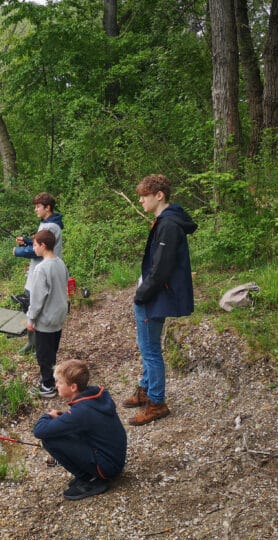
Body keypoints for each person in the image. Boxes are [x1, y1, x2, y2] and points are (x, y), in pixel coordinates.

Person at [123, 174, 197, 426]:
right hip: (154, 294)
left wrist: (141, 294)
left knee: (150, 350)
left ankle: (156, 403)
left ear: (159, 195)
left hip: (154, 296)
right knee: (147, 344)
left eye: (144, 196)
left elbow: (162, 268)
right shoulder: (165, 221)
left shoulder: (168, 225)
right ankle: (145, 388)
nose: (141, 200)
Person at [33, 359, 127, 501]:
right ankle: (91, 474)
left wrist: (48, 416)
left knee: (49, 439)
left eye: (59, 382)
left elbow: (39, 431)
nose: (56, 385)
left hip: (107, 468)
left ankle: (90, 479)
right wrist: (64, 419)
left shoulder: (81, 412)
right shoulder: (97, 395)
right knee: (65, 431)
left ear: (73, 387)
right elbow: (87, 421)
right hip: (114, 459)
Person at [12, 193, 64, 354]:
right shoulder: (46, 223)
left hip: (43, 272)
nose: (35, 209)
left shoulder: (51, 226)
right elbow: (40, 242)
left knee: (37, 306)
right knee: (29, 303)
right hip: (37, 271)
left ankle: (39, 344)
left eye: (38, 206)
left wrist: (18, 251)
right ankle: (31, 342)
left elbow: (38, 250)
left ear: (47, 208)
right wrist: (28, 241)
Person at [26, 229, 69, 398]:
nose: (34, 248)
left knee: (44, 354)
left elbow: (37, 299)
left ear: (43, 246)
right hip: (59, 316)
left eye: (35, 245)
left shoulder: (41, 269)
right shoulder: (60, 263)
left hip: (46, 319)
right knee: (52, 350)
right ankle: (53, 379)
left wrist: (31, 318)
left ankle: (47, 386)